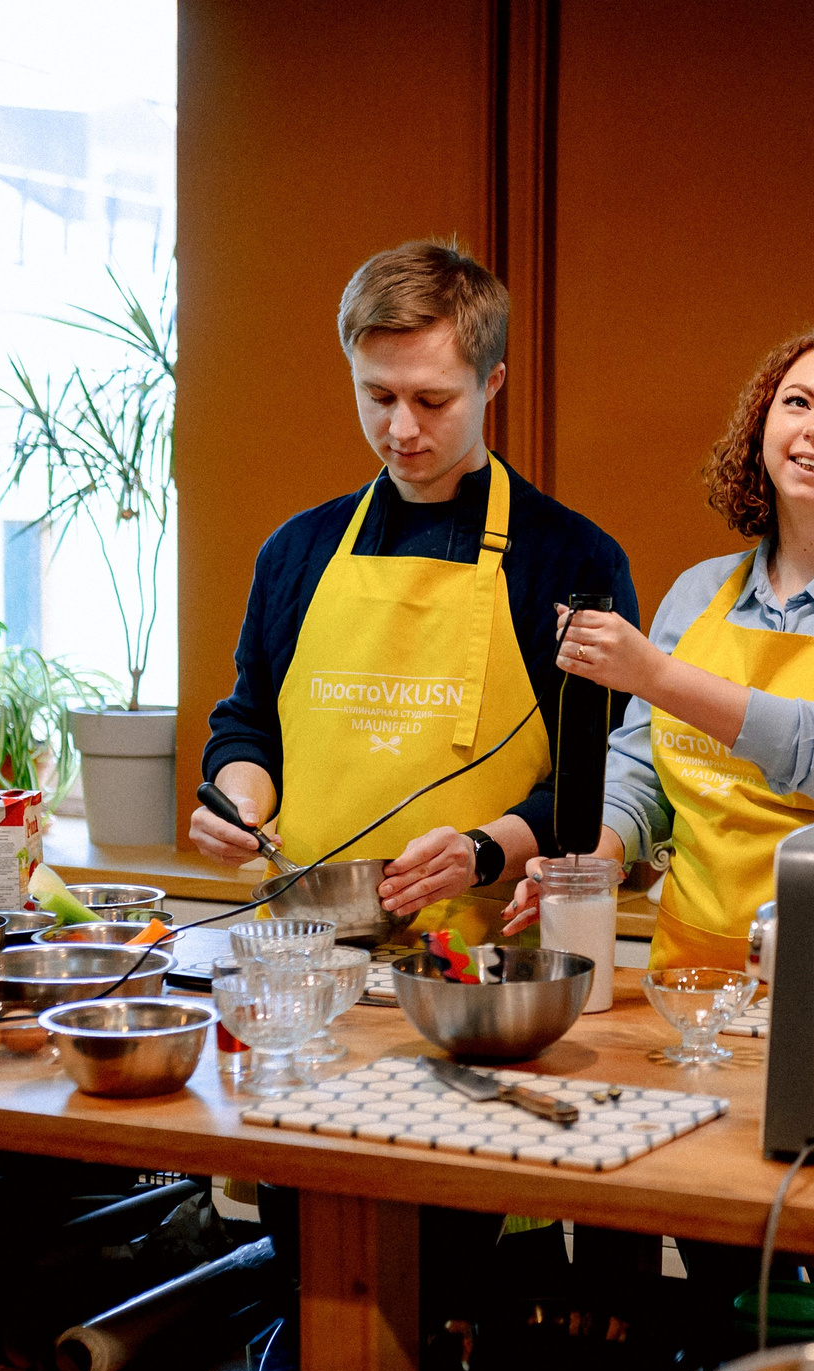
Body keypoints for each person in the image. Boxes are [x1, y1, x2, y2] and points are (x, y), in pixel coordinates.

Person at [195, 239, 637, 941]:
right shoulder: (295, 551)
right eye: (378, 395)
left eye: (432, 400)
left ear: (492, 383)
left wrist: (483, 850)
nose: (400, 429)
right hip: (308, 953)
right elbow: (250, 724)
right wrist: (237, 802)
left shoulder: (575, 561)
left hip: (487, 967)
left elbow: (598, 785)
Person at [503, 324, 814, 967]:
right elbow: (642, 773)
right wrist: (588, 860)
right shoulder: (700, 592)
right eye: (798, 402)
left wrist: (657, 677)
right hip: (692, 970)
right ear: (763, 427)